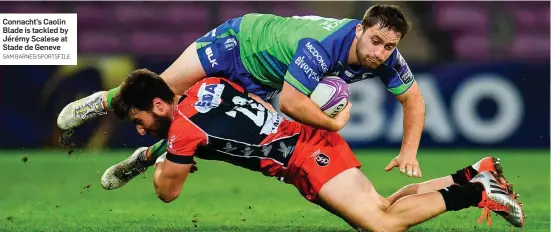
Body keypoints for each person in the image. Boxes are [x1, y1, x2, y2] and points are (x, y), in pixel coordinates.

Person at [58, 5, 428, 188]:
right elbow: (294, 104)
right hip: (239, 43)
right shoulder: (322, 47)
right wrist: (335, 122)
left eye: (388, 46)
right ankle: (102, 101)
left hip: (262, 78)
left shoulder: (387, 60)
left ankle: (144, 158)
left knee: (213, 135)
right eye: (375, 41)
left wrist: (409, 150)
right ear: (359, 30)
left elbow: (413, 99)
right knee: (162, 89)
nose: (379, 53)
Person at [106, 70, 524, 231]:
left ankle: (479, 191)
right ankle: (473, 173)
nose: (141, 128)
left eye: (139, 119)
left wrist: (159, 158)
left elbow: (168, 192)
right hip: (305, 142)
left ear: (160, 104)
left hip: (304, 156)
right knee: (379, 207)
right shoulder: (205, 87)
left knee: (381, 225)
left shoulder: (183, 131)